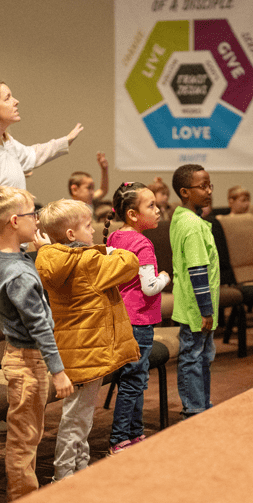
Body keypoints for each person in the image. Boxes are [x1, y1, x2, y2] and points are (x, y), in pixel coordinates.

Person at [35, 199, 139, 481]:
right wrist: (111, 250)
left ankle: (79, 468)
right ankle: (64, 476)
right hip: (89, 352)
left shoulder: (49, 258)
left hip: (74, 350)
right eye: (86, 225)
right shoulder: (89, 261)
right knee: (77, 420)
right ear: (71, 235)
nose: (92, 230)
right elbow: (129, 263)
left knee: (79, 416)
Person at [0, 186, 73, 499]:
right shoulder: (20, 275)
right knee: (25, 437)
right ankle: (23, 495)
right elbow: (41, 328)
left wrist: (33, 248)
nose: (38, 218)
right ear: (15, 221)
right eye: (33, 213)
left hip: (15, 356)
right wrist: (58, 371)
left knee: (26, 433)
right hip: (30, 362)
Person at [0, 79, 84, 256]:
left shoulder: (5, 142)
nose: (16, 101)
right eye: (7, 98)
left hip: (8, 248)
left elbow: (32, 155)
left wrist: (65, 141)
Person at [102, 182, 169, 454]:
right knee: (133, 380)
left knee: (134, 378)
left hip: (120, 317)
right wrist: (165, 277)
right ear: (132, 214)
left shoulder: (115, 237)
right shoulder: (142, 243)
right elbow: (149, 286)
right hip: (138, 320)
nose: (158, 210)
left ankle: (135, 432)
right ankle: (119, 439)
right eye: (150, 206)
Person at [170, 164, 220, 418]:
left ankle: (202, 404)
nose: (209, 191)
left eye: (210, 185)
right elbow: (197, 271)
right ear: (185, 192)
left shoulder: (188, 219)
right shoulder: (191, 225)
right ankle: (195, 408)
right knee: (193, 358)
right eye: (202, 186)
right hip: (196, 307)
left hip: (196, 305)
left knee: (202, 357)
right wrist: (206, 310)